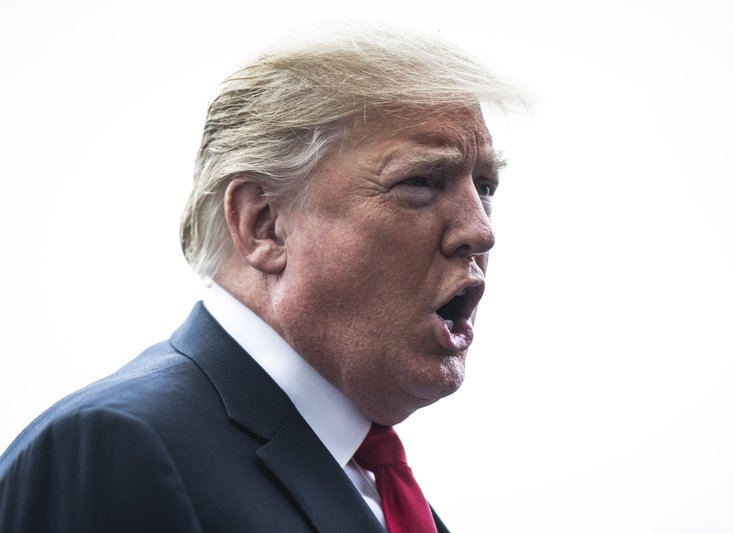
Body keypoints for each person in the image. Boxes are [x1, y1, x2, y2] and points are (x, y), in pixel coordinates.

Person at [0, 27, 522, 532]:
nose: (480, 231)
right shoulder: (115, 448)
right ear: (264, 225)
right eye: (420, 183)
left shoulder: (378, 488)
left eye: (485, 186)